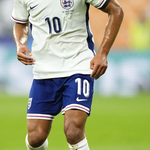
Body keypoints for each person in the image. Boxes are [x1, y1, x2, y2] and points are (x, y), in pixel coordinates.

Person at [11, 0, 123, 149]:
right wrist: (20, 43)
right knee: (36, 137)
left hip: (78, 64)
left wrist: (102, 53)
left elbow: (116, 10)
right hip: (44, 69)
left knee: (73, 130)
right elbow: (21, 22)